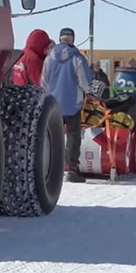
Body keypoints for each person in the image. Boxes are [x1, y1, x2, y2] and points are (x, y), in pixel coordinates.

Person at [41, 27, 93, 183]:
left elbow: (43, 82)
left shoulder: (49, 58)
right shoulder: (77, 58)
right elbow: (85, 81)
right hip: (72, 105)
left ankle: (49, 168)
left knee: (52, 137)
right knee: (73, 136)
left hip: (52, 106)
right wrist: (89, 92)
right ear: (72, 39)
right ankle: (72, 170)